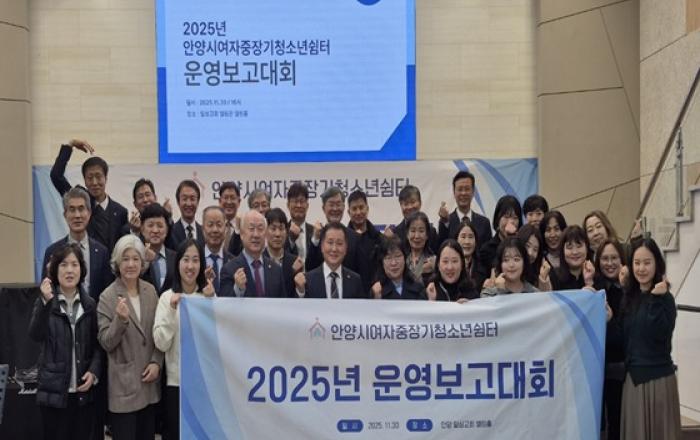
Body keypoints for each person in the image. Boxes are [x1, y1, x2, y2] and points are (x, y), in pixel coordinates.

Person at [29, 243, 102, 440]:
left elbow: (98, 346)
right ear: (54, 270)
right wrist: (45, 302)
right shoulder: (46, 301)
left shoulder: (90, 305)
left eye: (74, 264)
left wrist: (94, 371)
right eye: (63, 265)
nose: (69, 270)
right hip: (53, 395)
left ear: (81, 269)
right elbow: (35, 334)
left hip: (82, 395)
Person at [97, 235, 163, 440]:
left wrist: (156, 362)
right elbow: (106, 342)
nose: (131, 264)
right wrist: (120, 320)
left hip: (149, 385)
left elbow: (160, 333)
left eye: (135, 259)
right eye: (125, 259)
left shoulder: (150, 291)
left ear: (142, 263)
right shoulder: (107, 296)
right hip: (123, 389)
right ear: (117, 263)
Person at [153, 239, 215, 440]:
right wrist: (172, 310)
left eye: (195, 260)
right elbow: (161, 343)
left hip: (204, 384)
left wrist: (212, 302)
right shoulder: (166, 298)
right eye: (186, 259)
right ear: (177, 263)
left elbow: (216, 341)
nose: (190, 266)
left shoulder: (208, 297)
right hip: (176, 384)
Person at [620, 238, 681, 439]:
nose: (641, 268)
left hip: (659, 380)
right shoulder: (629, 296)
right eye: (637, 263)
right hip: (633, 380)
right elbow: (626, 338)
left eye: (647, 262)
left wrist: (656, 298)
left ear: (657, 264)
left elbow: (660, 334)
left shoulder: (666, 299)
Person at [50, 139, 128, 253]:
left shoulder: (121, 212)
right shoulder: (80, 201)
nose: (95, 183)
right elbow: (56, 176)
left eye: (98, 177)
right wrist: (70, 145)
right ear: (85, 180)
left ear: (106, 178)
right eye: (90, 178)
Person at [42, 187, 112, 301]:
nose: (77, 215)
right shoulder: (52, 252)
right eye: (72, 210)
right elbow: (45, 292)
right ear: (65, 215)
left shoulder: (102, 252)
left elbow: (107, 292)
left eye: (81, 209)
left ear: (89, 213)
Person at [593, 239, 626, 440]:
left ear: (622, 260)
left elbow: (625, 336)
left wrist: (610, 321)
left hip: (619, 370)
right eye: (605, 258)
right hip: (594, 369)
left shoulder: (629, 290)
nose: (610, 263)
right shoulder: (595, 289)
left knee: (617, 422)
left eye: (614, 258)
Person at [219, 210, 287, 298]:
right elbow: (224, 304)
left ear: (265, 234)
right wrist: (238, 289)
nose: (256, 235)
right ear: (242, 234)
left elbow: (283, 304)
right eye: (251, 229)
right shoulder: (229, 269)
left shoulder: (276, 270)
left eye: (260, 229)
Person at [294, 222, 367, 299]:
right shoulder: (308, 280)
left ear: (346, 248)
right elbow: (299, 306)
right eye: (330, 242)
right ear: (322, 246)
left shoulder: (355, 280)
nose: (334, 249)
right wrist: (301, 292)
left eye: (339, 243)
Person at [438, 170, 492, 247]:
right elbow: (441, 248)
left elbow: (487, 251)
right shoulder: (446, 223)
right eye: (460, 189)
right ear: (454, 192)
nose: (463, 193)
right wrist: (445, 222)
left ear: (473, 191)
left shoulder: (484, 223)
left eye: (467, 189)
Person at [385, 185, 440, 254]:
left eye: (413, 202)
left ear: (420, 203)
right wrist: (386, 241)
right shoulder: (395, 234)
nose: (410, 207)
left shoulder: (431, 231)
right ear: (401, 206)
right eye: (406, 204)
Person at [477, 195, 522, 278]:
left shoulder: (522, 247)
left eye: (515, 217)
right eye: (506, 217)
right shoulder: (487, 249)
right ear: (498, 219)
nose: (511, 222)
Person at [347, 190, 382, 293]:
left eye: (361, 207)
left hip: (375, 293)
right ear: (348, 212)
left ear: (367, 209)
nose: (358, 212)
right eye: (354, 209)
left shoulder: (379, 238)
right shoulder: (343, 239)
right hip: (350, 294)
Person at [371, 235, 427, 300]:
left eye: (398, 256)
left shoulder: (418, 288)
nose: (394, 263)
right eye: (388, 258)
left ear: (405, 259)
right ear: (382, 262)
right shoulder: (377, 290)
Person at [264, 208, 304, 298]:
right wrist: (290, 273)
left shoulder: (294, 262)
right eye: (273, 229)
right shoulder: (259, 261)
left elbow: (296, 296)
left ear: (286, 232)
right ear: (265, 231)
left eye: (281, 228)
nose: (277, 234)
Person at [139, 203, 175, 295]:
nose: (155, 230)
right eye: (150, 225)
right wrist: (145, 263)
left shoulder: (176, 258)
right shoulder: (136, 257)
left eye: (160, 226)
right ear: (142, 229)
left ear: (167, 230)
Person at [550, 225, 595, 291]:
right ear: (563, 251)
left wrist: (589, 282)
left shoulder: (596, 275)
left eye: (579, 246)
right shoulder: (554, 276)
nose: (575, 252)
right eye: (569, 247)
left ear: (587, 248)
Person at [201, 206, 234, 295]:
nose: (215, 230)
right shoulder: (196, 260)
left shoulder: (233, 262)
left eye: (219, 225)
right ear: (203, 229)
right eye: (210, 225)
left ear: (225, 228)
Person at [166, 180, 204, 250]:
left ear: (198, 202)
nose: (188, 204)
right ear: (178, 202)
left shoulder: (205, 232)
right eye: (184, 199)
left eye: (192, 199)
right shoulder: (170, 233)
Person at [285, 182, 313, 270]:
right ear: (288, 205)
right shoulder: (282, 231)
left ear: (307, 205)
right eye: (295, 201)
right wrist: (291, 241)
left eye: (302, 201)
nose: (298, 205)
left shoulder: (315, 232)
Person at [403, 211, 435, 286]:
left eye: (421, 231)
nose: (417, 236)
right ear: (407, 234)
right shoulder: (401, 259)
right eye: (413, 231)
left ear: (427, 235)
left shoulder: (434, 261)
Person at [456, 220, 485, 290]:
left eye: (470, 237)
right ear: (456, 239)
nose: (467, 242)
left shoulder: (483, 267)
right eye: (463, 237)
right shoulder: (450, 267)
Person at [218, 181, 243, 256]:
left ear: (239, 202)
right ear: (220, 201)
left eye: (232, 198)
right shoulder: (213, 227)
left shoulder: (244, 227)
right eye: (226, 198)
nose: (229, 202)